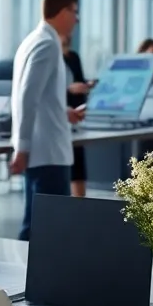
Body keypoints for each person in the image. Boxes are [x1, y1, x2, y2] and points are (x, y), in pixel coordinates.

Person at [10, 0, 85, 240]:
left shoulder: (34, 40)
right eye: (74, 12)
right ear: (62, 12)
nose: (76, 19)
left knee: (37, 225)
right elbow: (27, 96)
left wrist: (64, 112)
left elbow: (39, 97)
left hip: (43, 151)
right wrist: (22, 147)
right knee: (46, 230)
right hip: (48, 153)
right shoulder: (48, 44)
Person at [62, 33, 94, 197]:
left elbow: (79, 80)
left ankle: (79, 201)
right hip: (61, 113)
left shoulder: (73, 57)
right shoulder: (53, 58)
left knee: (78, 159)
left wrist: (86, 85)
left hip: (77, 113)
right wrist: (69, 89)